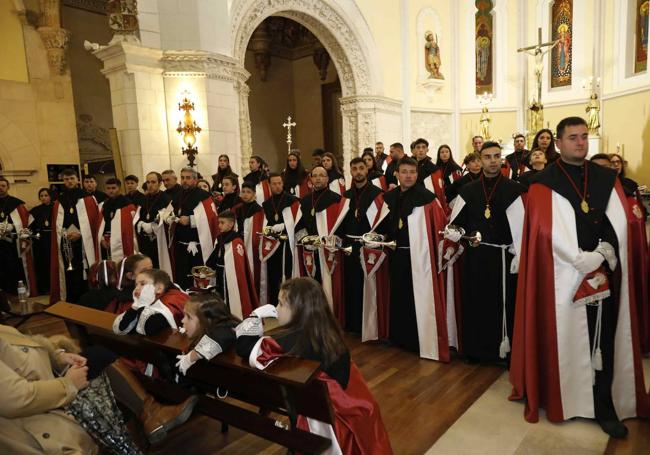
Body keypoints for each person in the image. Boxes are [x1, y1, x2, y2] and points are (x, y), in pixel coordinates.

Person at [509, 116, 650, 438]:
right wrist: (576, 258)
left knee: (605, 339)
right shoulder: (543, 181)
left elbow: (622, 223)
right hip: (563, 277)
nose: (580, 143)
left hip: (603, 274)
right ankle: (566, 397)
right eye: (573, 137)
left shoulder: (605, 177)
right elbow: (543, 231)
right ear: (558, 143)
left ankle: (604, 405)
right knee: (564, 338)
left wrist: (601, 255)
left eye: (585, 137)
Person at [235, 277, 393, 455]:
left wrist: (254, 316)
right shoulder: (327, 333)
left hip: (332, 424)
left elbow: (243, 347)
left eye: (280, 304)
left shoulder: (291, 341)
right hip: (358, 413)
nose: (276, 309)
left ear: (298, 309)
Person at [0, 323, 197, 450]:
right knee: (100, 364)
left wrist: (58, 355)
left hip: (45, 377)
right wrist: (68, 384)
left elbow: (24, 346)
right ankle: (150, 414)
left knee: (98, 358)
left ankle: (150, 413)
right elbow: (15, 398)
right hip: (40, 404)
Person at [443, 141, 525, 363]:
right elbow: (456, 224)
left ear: (502, 159)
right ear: (479, 160)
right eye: (487, 157)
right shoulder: (467, 190)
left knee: (503, 305)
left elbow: (522, 228)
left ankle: (504, 351)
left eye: (496, 156)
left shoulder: (515, 189)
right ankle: (476, 351)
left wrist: (519, 253)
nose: (492, 161)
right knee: (476, 303)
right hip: (476, 257)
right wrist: (454, 233)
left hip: (503, 258)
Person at [378, 157, 448, 360]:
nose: (408, 175)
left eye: (412, 172)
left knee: (415, 296)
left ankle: (416, 340)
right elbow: (383, 225)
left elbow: (439, 227)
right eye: (404, 172)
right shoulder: (389, 197)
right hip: (394, 253)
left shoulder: (427, 198)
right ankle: (398, 337)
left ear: (417, 175)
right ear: (397, 174)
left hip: (419, 258)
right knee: (397, 294)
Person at [295, 166, 348, 321]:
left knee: (329, 286)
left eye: (322, 175)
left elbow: (340, 225)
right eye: (315, 175)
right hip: (310, 250)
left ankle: (330, 316)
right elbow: (299, 225)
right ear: (310, 179)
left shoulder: (337, 199)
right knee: (312, 286)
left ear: (327, 179)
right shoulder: (304, 200)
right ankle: (312, 317)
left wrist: (330, 241)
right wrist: (306, 240)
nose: (318, 178)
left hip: (328, 250)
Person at [609, 153, 649, 353]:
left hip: (634, 247)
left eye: (617, 163)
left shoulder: (630, 186)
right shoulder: (603, 189)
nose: (614, 166)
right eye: (611, 163)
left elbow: (640, 215)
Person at [340, 158, 384, 334]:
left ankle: (371, 325)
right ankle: (354, 325)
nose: (358, 172)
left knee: (370, 285)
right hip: (350, 245)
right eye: (354, 169)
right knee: (352, 284)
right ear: (350, 172)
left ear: (367, 170)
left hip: (369, 246)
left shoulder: (377, 194)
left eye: (361, 168)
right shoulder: (346, 196)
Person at [162, 167, 218, 290]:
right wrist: (171, 219)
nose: (184, 181)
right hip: (181, 246)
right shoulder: (178, 195)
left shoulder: (204, 196)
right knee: (183, 277)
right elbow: (167, 213)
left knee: (199, 278)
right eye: (182, 178)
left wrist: (191, 220)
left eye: (188, 178)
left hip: (198, 246)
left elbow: (210, 218)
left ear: (195, 179)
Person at [50, 169, 100, 304]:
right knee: (69, 271)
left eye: (72, 178)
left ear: (77, 180)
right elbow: (58, 224)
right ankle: (70, 298)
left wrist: (81, 234)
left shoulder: (88, 198)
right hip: (67, 241)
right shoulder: (59, 200)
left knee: (84, 270)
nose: (69, 181)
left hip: (84, 242)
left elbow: (94, 222)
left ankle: (86, 298)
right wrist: (65, 234)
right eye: (66, 179)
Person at [205, 210, 259, 319]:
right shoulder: (220, 238)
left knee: (230, 299)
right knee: (220, 297)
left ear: (231, 224)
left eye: (222, 223)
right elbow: (215, 256)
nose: (219, 225)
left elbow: (237, 265)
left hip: (230, 277)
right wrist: (209, 266)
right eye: (219, 222)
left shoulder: (236, 241)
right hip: (220, 274)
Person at [174, 293, 240, 375]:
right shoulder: (205, 334)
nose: (183, 321)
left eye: (189, 317)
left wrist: (191, 356)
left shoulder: (227, 330)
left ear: (207, 321)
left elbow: (224, 334)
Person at [113, 268, 188, 337]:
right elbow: (122, 327)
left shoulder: (168, 302)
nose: (137, 288)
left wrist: (140, 305)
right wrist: (136, 306)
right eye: (136, 285)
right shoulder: (148, 301)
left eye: (142, 284)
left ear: (159, 288)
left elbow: (148, 328)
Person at [0, 177, 37, 296]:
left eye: (3, 186)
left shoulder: (16, 203)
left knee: (14, 268)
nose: (0, 188)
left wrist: (12, 227)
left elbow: (26, 223)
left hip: (12, 244)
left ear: (8, 187)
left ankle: (16, 292)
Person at [232, 182, 264, 298]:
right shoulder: (236, 209)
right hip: (238, 245)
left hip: (252, 248)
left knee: (252, 272)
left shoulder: (259, 211)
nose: (245, 195)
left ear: (254, 194)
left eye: (248, 192)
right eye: (243, 192)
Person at [134, 172, 171, 269]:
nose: (150, 185)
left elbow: (168, 219)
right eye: (148, 182)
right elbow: (137, 217)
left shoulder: (166, 198)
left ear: (160, 183)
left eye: (153, 182)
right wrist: (141, 224)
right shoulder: (143, 199)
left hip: (159, 240)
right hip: (145, 241)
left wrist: (153, 226)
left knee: (158, 266)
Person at [98, 178, 137, 263]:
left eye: (113, 188)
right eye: (108, 188)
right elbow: (102, 223)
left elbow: (128, 228)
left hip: (121, 241)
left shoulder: (127, 204)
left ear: (119, 188)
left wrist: (114, 239)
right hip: (106, 239)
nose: (111, 191)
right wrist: (102, 239)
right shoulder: (105, 204)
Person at [412, 138, 448, 214]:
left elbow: (438, 191)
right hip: (413, 201)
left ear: (427, 150)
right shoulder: (411, 165)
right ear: (414, 150)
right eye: (418, 147)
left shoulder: (433, 168)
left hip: (427, 204)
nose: (421, 150)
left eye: (423, 147)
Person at [29, 188, 53, 294]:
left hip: (52, 239)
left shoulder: (56, 208)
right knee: (42, 264)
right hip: (40, 241)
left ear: (50, 196)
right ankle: (44, 287)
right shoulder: (35, 210)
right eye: (41, 196)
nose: (43, 198)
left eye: (46, 195)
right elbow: (30, 226)